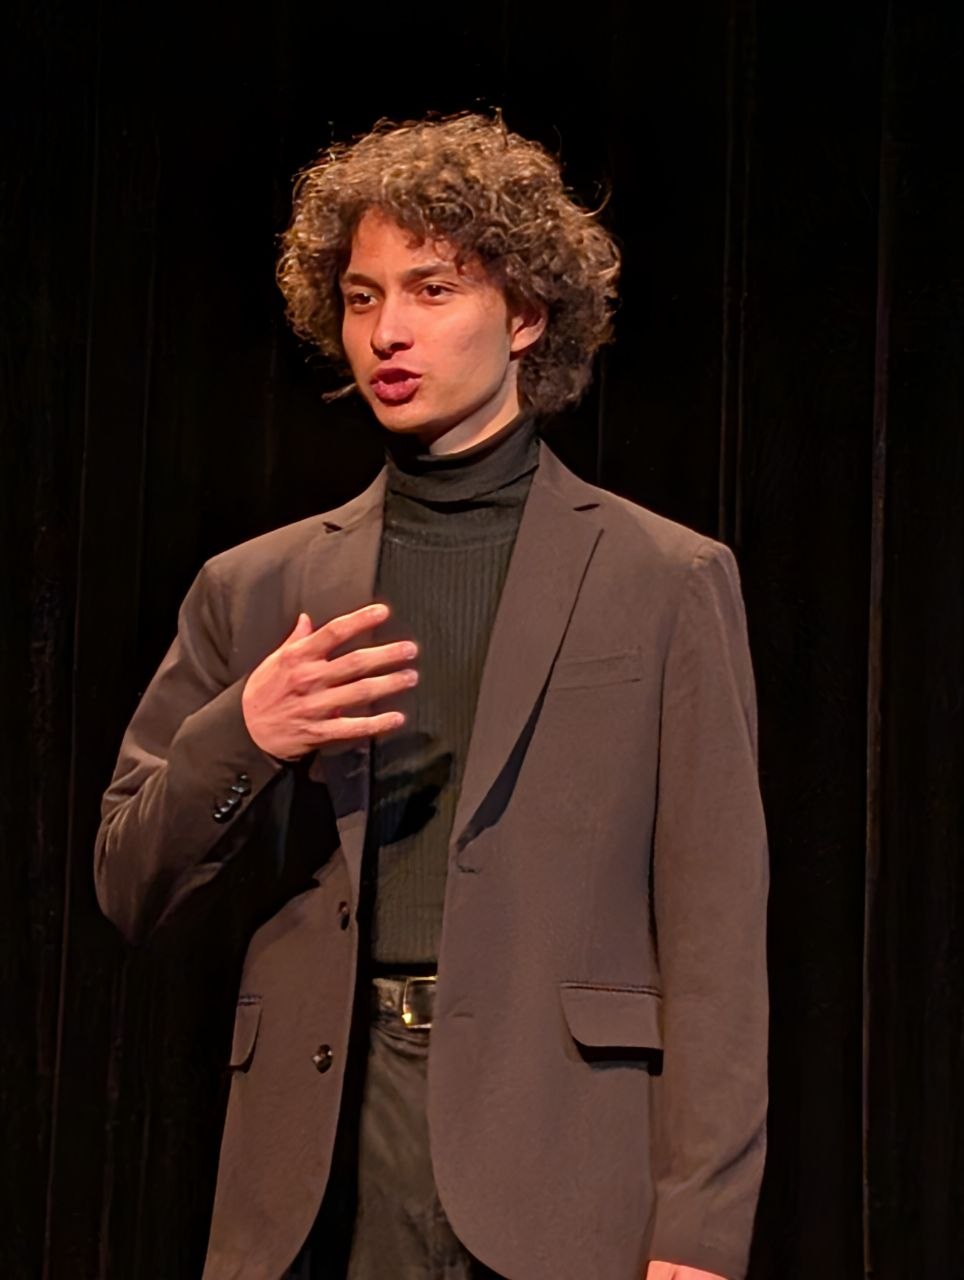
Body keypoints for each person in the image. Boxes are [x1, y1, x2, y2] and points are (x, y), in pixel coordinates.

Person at [94, 112, 769, 1280]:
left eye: (432, 289)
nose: (387, 332)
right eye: (361, 298)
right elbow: (125, 881)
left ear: (525, 315)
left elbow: (717, 926)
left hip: (558, 1146)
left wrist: (698, 1230)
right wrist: (245, 731)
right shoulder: (256, 586)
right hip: (321, 1155)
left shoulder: (664, 578)